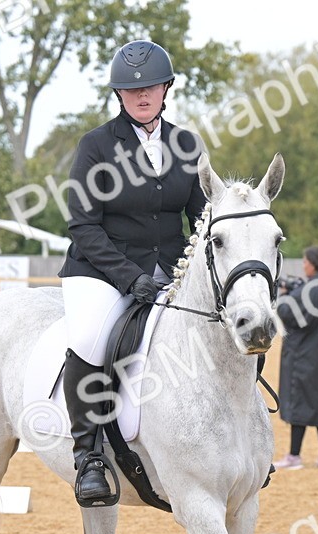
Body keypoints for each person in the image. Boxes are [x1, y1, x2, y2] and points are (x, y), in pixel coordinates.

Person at [58, 39, 206, 503]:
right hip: (100, 270)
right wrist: (128, 276)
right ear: (119, 95)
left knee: (224, 326)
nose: (142, 96)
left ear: (166, 88)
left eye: (151, 88)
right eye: (131, 91)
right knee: (90, 337)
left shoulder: (186, 144)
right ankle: (89, 458)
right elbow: (83, 223)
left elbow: (201, 219)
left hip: (171, 268)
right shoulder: (97, 145)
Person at [272, 246, 318, 470]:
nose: (303, 265)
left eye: (305, 261)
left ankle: (294, 455)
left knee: (300, 400)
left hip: (306, 354)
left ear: (314, 263)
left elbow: (289, 313)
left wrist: (284, 296)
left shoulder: (314, 288)